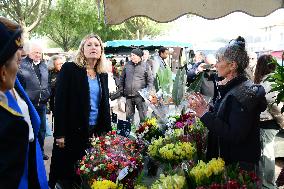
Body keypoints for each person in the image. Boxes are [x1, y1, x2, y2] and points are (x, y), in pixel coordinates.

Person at [189, 36, 267, 172]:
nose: (216, 65)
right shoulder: (235, 88)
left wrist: (205, 114)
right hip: (230, 160)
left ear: (233, 65)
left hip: (237, 165)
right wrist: (209, 109)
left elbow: (234, 134)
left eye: (219, 61)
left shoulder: (243, 93)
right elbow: (226, 116)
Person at [49, 34, 111, 189]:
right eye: (89, 45)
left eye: (97, 45)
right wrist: (60, 133)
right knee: (69, 172)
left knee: (89, 170)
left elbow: (104, 104)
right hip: (72, 131)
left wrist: (107, 133)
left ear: (101, 50)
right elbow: (60, 102)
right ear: (82, 49)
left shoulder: (102, 74)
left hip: (93, 130)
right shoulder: (70, 69)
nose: (93, 48)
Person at [0, 17, 48, 189]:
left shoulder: (15, 82)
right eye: (18, 50)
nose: (22, 55)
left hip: (32, 161)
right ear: (3, 71)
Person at [254, 54, 284, 189]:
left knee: (266, 157)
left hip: (267, 124)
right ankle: (267, 185)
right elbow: (276, 106)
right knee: (265, 157)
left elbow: (275, 106)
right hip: (266, 124)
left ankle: (267, 185)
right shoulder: (269, 81)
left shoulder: (267, 81)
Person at [18, 41, 50, 160]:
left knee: (41, 129)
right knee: (29, 129)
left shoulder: (43, 65)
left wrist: (47, 94)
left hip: (41, 104)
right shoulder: (22, 64)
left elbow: (47, 82)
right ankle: (30, 154)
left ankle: (40, 152)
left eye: (40, 53)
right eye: (36, 52)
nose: (38, 55)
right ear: (29, 52)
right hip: (28, 104)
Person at [119, 48, 154, 124]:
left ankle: (143, 133)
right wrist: (121, 89)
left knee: (143, 118)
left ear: (139, 56)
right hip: (128, 96)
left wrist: (147, 92)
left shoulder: (146, 66)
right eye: (131, 55)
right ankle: (130, 134)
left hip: (140, 97)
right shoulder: (127, 65)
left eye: (133, 55)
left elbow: (150, 80)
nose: (131, 57)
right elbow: (122, 78)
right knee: (129, 119)